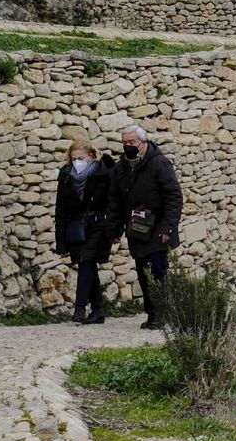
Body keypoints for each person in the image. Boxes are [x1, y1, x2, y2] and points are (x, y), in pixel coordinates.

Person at [105, 125, 183, 330]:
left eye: (132, 142)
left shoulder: (159, 164)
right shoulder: (120, 168)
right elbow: (114, 201)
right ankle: (152, 314)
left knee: (158, 269)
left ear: (143, 142)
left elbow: (174, 196)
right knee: (143, 271)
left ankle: (163, 313)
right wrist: (113, 231)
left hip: (158, 226)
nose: (128, 146)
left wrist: (169, 227)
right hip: (137, 228)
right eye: (125, 143)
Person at [53, 138, 116, 324]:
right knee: (87, 265)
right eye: (73, 159)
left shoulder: (104, 175)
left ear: (91, 156)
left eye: (80, 158)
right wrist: (61, 242)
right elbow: (61, 210)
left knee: (87, 260)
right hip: (77, 227)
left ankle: (79, 308)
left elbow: (114, 203)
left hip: (98, 225)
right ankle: (98, 309)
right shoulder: (66, 177)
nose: (76, 163)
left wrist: (114, 230)